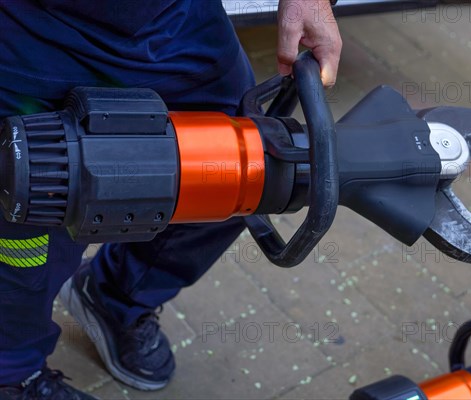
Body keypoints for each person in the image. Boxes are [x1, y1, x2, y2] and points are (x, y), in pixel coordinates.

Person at [0, 1, 342, 398]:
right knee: (25, 215)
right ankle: (12, 373)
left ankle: (116, 296)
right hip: (24, 25)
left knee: (246, 167)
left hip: (171, 17)